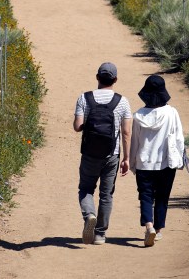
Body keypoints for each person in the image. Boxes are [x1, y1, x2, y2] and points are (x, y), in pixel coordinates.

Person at [73, 62, 132, 245]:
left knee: (86, 188)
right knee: (106, 195)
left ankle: (89, 214)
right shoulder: (122, 101)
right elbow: (126, 132)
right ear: (115, 80)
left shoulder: (84, 98)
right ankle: (100, 234)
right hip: (111, 155)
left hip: (90, 153)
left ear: (97, 77)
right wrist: (127, 158)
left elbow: (77, 126)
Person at [130, 74, 185, 248]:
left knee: (145, 196)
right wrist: (181, 158)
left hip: (144, 163)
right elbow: (179, 138)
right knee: (162, 196)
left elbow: (135, 142)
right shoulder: (172, 113)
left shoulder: (138, 115)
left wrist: (132, 163)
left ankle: (149, 226)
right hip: (166, 162)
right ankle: (159, 229)